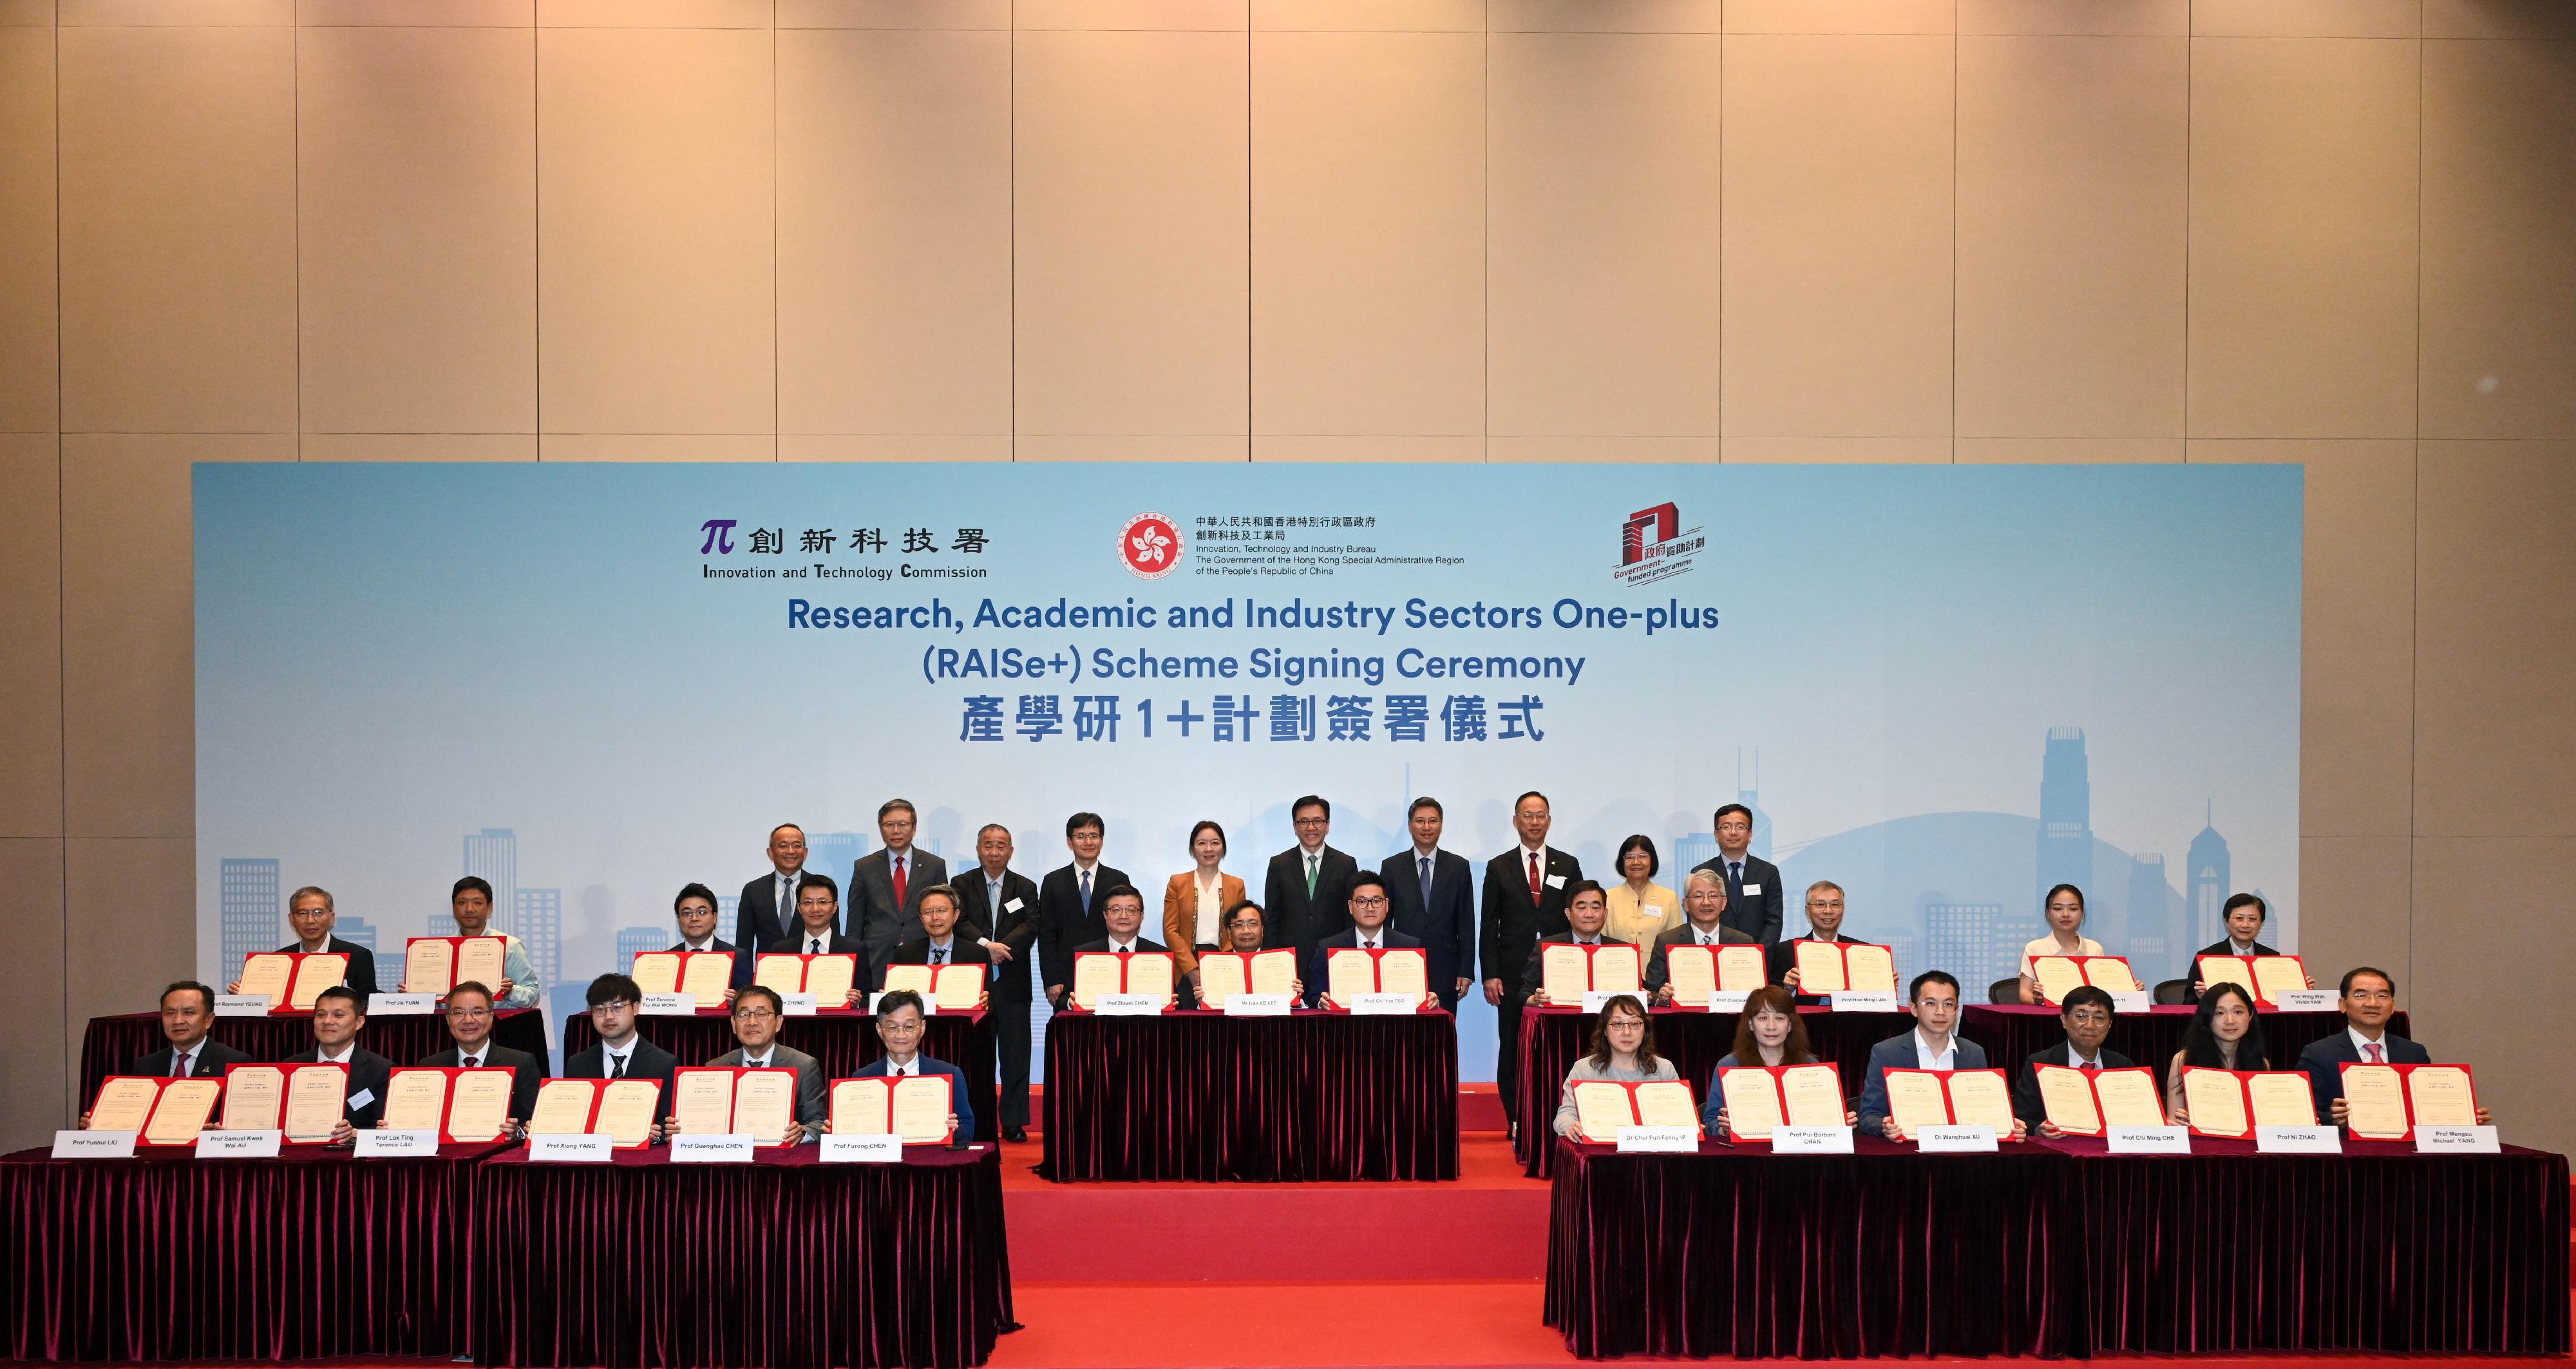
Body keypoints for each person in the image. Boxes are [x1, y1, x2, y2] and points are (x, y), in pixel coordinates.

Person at [2296, 967, 2492, 1128]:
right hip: (2348, 1156)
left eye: (2382, 995)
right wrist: (2333, 1118)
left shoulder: (2414, 1053)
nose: (2372, 1003)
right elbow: (2303, 1115)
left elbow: (2427, 1107)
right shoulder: (2319, 1054)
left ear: (2392, 1006)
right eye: (2361, 995)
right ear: (2343, 1004)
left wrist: (2463, 1116)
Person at [1855, 971, 2027, 1141]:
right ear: (1914, 1008)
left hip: (1959, 1153)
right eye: (1930, 1003)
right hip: (1908, 1153)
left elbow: (1985, 1113)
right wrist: (1885, 1127)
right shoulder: (1887, 1052)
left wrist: (2008, 1126)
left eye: (1948, 1004)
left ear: (1957, 1009)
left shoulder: (1974, 1053)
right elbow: (1869, 1115)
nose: (1940, 1012)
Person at [952, 823, 1039, 1142]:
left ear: (1011, 851)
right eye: (988, 845)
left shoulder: (1026, 887)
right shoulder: (960, 883)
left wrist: (1003, 949)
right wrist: (986, 946)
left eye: (1001, 845)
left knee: (1016, 1056)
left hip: (1013, 982)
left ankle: (1014, 1122)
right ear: (978, 849)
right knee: (980, 1056)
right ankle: (982, 1120)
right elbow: (958, 920)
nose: (994, 851)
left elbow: (1032, 924)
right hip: (974, 983)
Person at [1701, 985, 1857, 1135]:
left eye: (1780, 1018)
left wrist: (1839, 1122)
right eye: (1762, 1018)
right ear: (1750, 1024)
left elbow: (1823, 1114)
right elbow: (1711, 1120)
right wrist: (1722, 1129)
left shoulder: (1809, 1065)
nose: (1771, 1026)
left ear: (1790, 1025)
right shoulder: (1729, 1065)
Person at [837, 990, 974, 1146]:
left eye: (909, 1027)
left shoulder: (949, 1074)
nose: (901, 1035)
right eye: (892, 1027)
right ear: (879, 1030)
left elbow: (968, 1128)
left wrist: (953, 1131)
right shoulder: (861, 1078)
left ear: (922, 1028)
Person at [1379, 796, 1475, 1009]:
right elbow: (1383, 921)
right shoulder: (1392, 867)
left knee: (1442, 1034)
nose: (1426, 827)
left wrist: (1465, 971)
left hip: (1446, 969)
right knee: (1403, 1035)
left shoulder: (1458, 867)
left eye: (1433, 821)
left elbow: (1466, 922)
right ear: (1410, 825)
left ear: (1441, 825)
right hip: (1401, 966)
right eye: (1420, 821)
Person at [706, 985, 827, 1145]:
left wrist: (802, 1133)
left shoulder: (804, 1066)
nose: (752, 1022)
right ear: (734, 1024)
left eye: (761, 1014)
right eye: (743, 1015)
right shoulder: (716, 1067)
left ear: (778, 1023)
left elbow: (818, 1122)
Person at [563, 972, 679, 1136]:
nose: (608, 1016)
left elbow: (667, 1123)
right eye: (600, 1010)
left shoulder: (664, 1064)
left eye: (617, 1008)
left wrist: (655, 1135)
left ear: (636, 1008)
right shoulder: (577, 1064)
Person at [2009, 985, 2137, 1131]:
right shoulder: (2040, 1063)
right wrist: (2039, 1129)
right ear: (2064, 1019)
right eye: (2081, 1016)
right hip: (2058, 1150)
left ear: (2110, 1025)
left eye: (2099, 1018)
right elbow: (2023, 1118)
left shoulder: (2123, 1066)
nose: (2090, 1025)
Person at [1551, 995, 1680, 1140]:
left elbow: (1679, 1116)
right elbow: (1565, 1114)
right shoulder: (1584, 1069)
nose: (1627, 1032)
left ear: (1645, 1029)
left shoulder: (1664, 1069)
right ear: (1605, 1031)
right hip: (1601, 1157)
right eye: (1618, 1024)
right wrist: (1570, 1126)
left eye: (1635, 1024)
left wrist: (1688, 1126)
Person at [419, 981, 545, 1128]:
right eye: (458, 1013)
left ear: (491, 1017)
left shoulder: (521, 1063)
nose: (468, 1020)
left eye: (477, 1012)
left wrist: (516, 1131)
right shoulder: (430, 1066)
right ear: (448, 1019)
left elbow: (532, 1122)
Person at [227, 885, 380, 1005]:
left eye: (318, 913)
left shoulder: (358, 956)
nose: (310, 920)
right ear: (292, 919)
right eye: (302, 913)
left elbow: (367, 1004)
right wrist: (244, 999)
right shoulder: (278, 959)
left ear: (331, 917)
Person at [1304, 871, 1435, 1010]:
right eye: (1362, 901)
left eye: (1377, 901)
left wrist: (1431, 1001)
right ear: (1350, 906)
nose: (1370, 908)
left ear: (1387, 905)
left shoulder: (1410, 947)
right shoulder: (1329, 948)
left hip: (1395, 1028)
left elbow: (1423, 994)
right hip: (1347, 1028)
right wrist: (1321, 1002)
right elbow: (1313, 995)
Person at [1039, 813, 1130, 1010]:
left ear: (1102, 841)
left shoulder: (1118, 879)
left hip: (1110, 972)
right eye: (1081, 836)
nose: (1088, 842)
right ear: (1070, 842)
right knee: (1069, 1038)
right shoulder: (1053, 882)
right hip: (1066, 978)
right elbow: (1046, 934)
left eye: (1094, 836)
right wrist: (1051, 979)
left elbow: (1126, 930)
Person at [410, 876, 537, 1008]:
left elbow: (532, 994)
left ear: (489, 907)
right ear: (454, 909)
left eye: (477, 903)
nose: (470, 909)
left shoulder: (510, 946)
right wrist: (416, 995)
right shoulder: (440, 949)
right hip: (450, 1027)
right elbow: (433, 1004)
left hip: (498, 1027)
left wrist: (510, 992)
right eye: (462, 903)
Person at [285, 985, 392, 1142]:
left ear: (359, 1022)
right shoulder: (292, 1066)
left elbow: (383, 1127)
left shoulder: (380, 1070)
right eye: (321, 1015)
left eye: (338, 1015)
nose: (328, 1021)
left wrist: (355, 1133)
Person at [852, 798, 950, 963]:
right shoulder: (864, 867)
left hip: (923, 953)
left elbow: (943, 914)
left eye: (903, 824)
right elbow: (855, 919)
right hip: (876, 957)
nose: (896, 830)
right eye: (889, 824)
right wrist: (853, 960)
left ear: (914, 828)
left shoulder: (934, 865)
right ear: (881, 828)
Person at [1262, 795, 1358, 963]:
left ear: (1327, 825)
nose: (1311, 827)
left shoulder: (1345, 864)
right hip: (1290, 958)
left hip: (1333, 956)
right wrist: (1270, 958)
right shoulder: (1279, 864)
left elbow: (1350, 917)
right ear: (1295, 827)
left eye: (1317, 821)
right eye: (1304, 822)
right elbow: (1272, 918)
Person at [2164, 981, 2269, 1122]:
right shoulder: (2183, 1060)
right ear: (2207, 1018)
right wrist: (2180, 1123)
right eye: (2220, 1013)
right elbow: (2173, 1120)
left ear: (2250, 1016)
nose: (2230, 1021)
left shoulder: (2261, 1063)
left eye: (2238, 1012)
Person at [1646, 869, 1757, 1001]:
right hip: (1683, 1020)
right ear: (1686, 904)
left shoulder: (1744, 943)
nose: (1706, 902)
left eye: (1713, 895)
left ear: (1724, 903)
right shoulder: (1666, 941)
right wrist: (1661, 997)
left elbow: (1755, 994)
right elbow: (1651, 992)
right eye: (1698, 896)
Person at [877, 885, 993, 1007]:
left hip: (959, 1024)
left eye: (941, 911)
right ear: (921, 918)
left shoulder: (977, 954)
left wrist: (986, 1002)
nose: (935, 918)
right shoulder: (905, 954)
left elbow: (992, 1000)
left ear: (956, 914)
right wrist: (888, 998)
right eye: (928, 912)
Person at [1768, 881, 1884, 1003]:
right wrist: (1788, 989)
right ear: (1808, 911)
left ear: (1843, 909)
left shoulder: (1861, 950)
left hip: (1851, 1020)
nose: (1828, 911)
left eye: (1835, 904)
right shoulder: (1786, 950)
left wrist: (1885, 983)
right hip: (1806, 1021)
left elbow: (1875, 999)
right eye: (1820, 904)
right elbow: (1771, 1002)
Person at [1162, 820, 1245, 990]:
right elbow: (1170, 931)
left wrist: (1221, 965)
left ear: (1223, 848)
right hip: (1185, 964)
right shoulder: (1177, 883)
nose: (1209, 849)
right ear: (1193, 849)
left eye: (1215, 843)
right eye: (1202, 843)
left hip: (1224, 961)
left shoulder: (1236, 885)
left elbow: (1237, 929)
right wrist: (1191, 970)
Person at [1522, 881, 1627, 1006]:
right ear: (1568, 914)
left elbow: (1641, 990)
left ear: (1605, 914)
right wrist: (1534, 999)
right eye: (1582, 908)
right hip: (1561, 1023)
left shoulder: (1623, 951)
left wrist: (1644, 995)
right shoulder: (1546, 948)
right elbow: (1525, 992)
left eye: (1595, 908)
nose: (1589, 914)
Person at [2187, 892, 2311, 997]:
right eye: (2239, 918)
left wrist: (2300, 990)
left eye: (2252, 919)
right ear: (2226, 921)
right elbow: (2188, 1003)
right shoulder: (2207, 957)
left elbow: (2280, 1000)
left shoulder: (2272, 957)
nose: (2245, 925)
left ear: (2261, 923)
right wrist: (2202, 998)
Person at [1690, 804, 1782, 945]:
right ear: (1716, 835)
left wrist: (1759, 954)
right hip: (1716, 955)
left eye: (1740, 827)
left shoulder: (1768, 872)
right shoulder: (1701, 873)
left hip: (1757, 957)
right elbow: (1698, 920)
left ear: (1750, 835)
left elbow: (1774, 921)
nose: (1733, 832)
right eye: (1726, 827)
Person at [122, 980, 251, 1079]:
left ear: (208, 1020)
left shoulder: (234, 1063)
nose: (178, 1021)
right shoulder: (145, 1066)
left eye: (188, 1012)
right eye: (170, 1013)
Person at [1191, 899, 1307, 1005]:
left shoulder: (1284, 961)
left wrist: (1297, 998)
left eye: (1253, 924)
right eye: (1239, 925)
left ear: (1262, 930)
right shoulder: (1213, 966)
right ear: (1229, 932)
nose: (1246, 931)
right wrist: (1202, 1001)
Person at [764, 873, 867, 988]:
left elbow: (866, 996)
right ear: (799, 908)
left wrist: (856, 1001)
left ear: (834, 907)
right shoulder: (780, 951)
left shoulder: (854, 950)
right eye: (808, 902)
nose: (815, 909)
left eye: (823, 902)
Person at [736, 823, 814, 973]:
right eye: (783, 846)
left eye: (797, 845)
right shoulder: (753, 890)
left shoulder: (821, 889)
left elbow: (833, 938)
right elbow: (744, 945)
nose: (791, 851)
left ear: (805, 852)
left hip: (808, 975)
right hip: (767, 977)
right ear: (770, 853)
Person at [2016, 883, 2103, 1005]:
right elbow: (2025, 993)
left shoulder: (2095, 949)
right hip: (2047, 1019)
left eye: (2073, 909)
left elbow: (2102, 992)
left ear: (2082, 912)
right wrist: (2038, 1000)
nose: (2065, 914)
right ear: (2048, 913)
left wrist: (2130, 990)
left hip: (2085, 1021)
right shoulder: (2034, 948)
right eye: (2058, 909)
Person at [668, 882, 743, 1006]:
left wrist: (739, 1000)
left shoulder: (737, 956)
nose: (694, 918)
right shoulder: (668, 958)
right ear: (679, 920)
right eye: (686, 913)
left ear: (714, 918)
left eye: (702, 912)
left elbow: (749, 1002)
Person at [1603, 835, 1681, 949]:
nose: (1636, 862)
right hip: (1618, 966)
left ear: (1652, 860)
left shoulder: (1669, 898)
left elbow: (1676, 944)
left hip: (1658, 966)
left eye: (1643, 856)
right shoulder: (1608, 897)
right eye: (1630, 857)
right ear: (1622, 862)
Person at [1070, 885, 1167, 956]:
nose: (1124, 916)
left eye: (1131, 910)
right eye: (1116, 910)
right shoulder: (1083, 955)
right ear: (1105, 915)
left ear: (1141, 916)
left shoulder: (1160, 955)